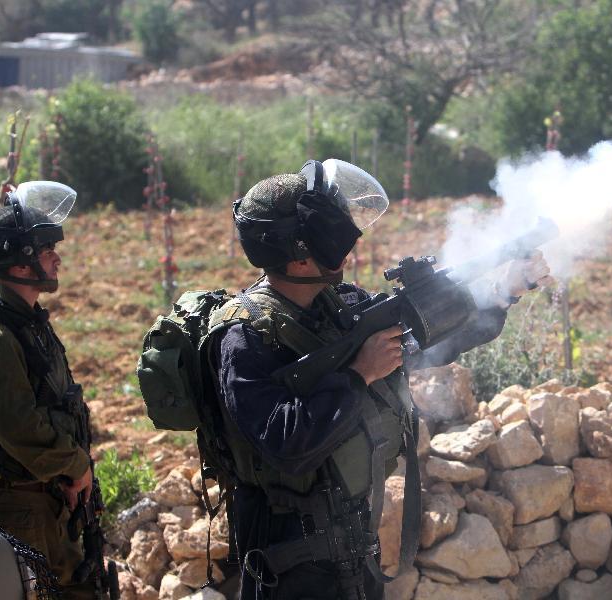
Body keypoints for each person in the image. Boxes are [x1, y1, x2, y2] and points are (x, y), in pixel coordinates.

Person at [208, 159, 550, 600]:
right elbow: (284, 443)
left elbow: (428, 342)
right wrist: (358, 375)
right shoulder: (245, 337)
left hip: (355, 548)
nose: (348, 245)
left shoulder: (340, 305)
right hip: (289, 566)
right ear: (300, 252)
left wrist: (505, 290)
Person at [0, 181, 95, 599]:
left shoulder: (29, 324)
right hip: (19, 508)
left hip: (48, 501)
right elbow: (19, 427)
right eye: (45, 252)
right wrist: (75, 463)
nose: (57, 259)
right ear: (21, 266)